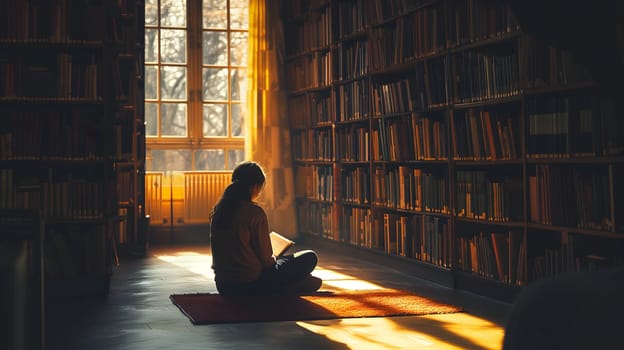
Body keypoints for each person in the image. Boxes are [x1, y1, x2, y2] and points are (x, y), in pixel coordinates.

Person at [209, 161, 322, 295]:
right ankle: (283, 289)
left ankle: (291, 287)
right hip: (250, 283)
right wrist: (274, 257)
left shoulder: (219, 211)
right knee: (309, 257)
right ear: (255, 186)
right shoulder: (254, 212)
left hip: (223, 285)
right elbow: (267, 263)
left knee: (301, 273)